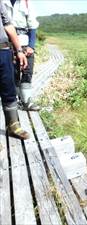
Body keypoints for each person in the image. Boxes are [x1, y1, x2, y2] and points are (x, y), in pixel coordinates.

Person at [3, 0, 40, 111]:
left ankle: (26, 101)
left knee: (27, 72)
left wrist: (31, 46)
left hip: (24, 42)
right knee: (12, 73)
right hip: (7, 43)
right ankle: (15, 101)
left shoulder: (26, 2)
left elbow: (32, 25)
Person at [0, 0, 29, 139]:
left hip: (4, 50)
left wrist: (19, 50)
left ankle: (13, 126)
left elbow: (8, 25)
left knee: (9, 88)